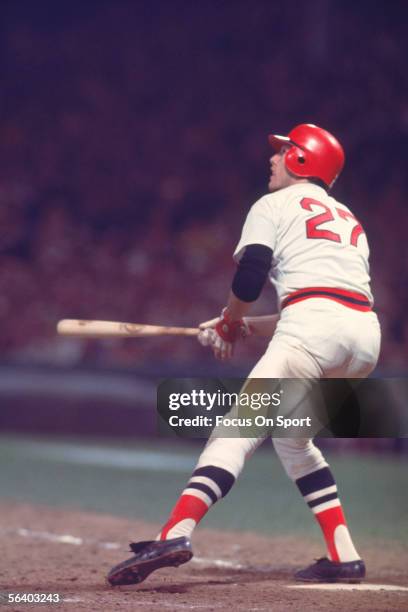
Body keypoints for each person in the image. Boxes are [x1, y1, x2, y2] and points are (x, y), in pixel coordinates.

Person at [107, 123, 381, 586]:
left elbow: (252, 273)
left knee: (235, 430)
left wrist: (232, 319)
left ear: (301, 161)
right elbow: (328, 302)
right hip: (363, 340)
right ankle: (343, 555)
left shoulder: (272, 204)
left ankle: (175, 532)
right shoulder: (349, 219)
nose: (273, 158)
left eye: (284, 151)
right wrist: (241, 326)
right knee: (293, 440)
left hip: (312, 331)